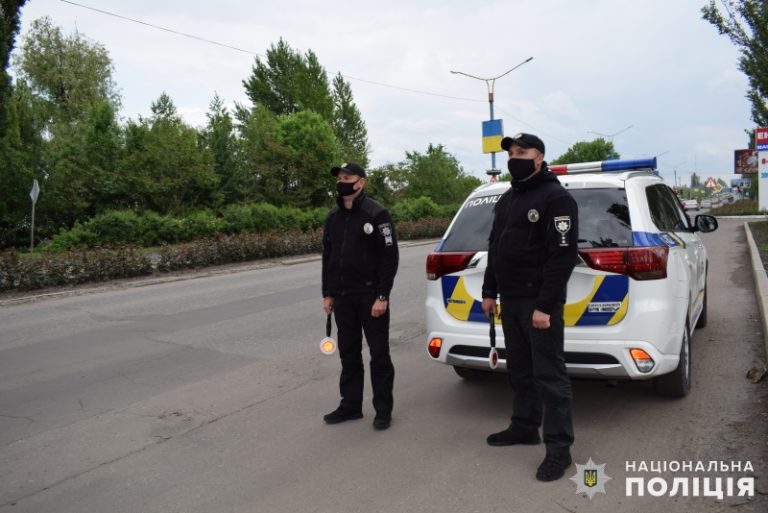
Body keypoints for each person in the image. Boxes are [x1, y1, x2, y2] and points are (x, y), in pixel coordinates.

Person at [481, 133, 579, 481]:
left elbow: (562, 256)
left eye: (522, 152)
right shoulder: (509, 198)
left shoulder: (556, 198)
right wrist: (489, 290)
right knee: (520, 369)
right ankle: (523, 426)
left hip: (540, 303)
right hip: (510, 298)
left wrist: (545, 305)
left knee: (550, 376)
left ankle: (558, 450)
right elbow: (495, 248)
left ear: (539, 158)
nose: (514, 157)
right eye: (511, 152)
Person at [321, 162, 399, 431]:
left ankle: (383, 410)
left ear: (361, 182)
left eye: (347, 177)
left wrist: (382, 295)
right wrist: (328, 292)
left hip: (370, 297)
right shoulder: (333, 217)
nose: (342, 181)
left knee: (379, 355)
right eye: (339, 177)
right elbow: (328, 258)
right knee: (348, 353)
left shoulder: (377, 213)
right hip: (343, 297)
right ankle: (351, 405)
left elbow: (390, 257)